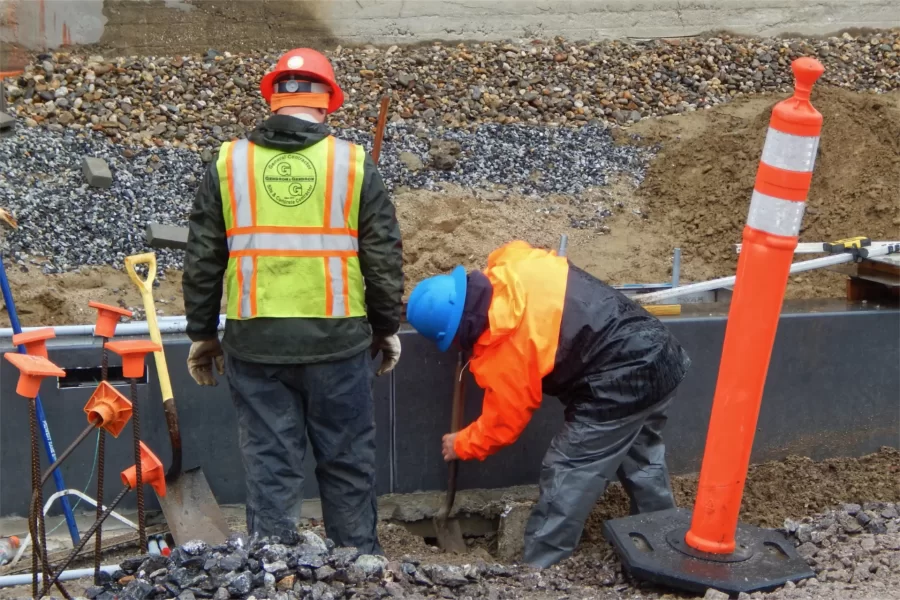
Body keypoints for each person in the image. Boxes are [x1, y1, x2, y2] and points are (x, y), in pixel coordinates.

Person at [182, 48, 403, 553]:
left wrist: (200, 335)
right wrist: (387, 325)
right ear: (328, 105)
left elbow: (202, 258)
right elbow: (383, 258)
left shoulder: (230, 162)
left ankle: (276, 572)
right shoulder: (351, 164)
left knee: (271, 464)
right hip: (338, 343)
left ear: (271, 100)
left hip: (255, 344)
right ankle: (356, 571)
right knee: (346, 463)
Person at [406, 240, 691, 567]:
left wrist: (463, 444)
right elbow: (521, 248)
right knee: (641, 454)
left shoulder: (506, 354)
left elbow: (504, 424)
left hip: (619, 382)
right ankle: (662, 535)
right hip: (661, 352)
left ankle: (540, 571)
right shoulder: (512, 263)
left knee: (568, 470)